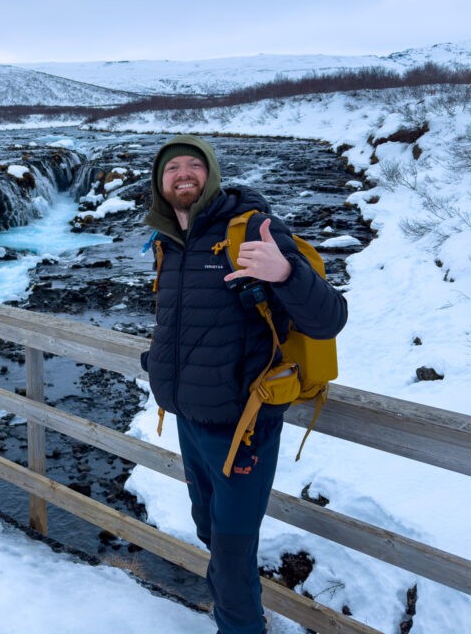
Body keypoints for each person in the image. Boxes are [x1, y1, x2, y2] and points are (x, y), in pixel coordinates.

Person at [140, 134, 347, 634]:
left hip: (244, 425)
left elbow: (329, 317)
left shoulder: (254, 229)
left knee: (231, 555)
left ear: (210, 174)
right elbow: (183, 320)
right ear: (160, 182)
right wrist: (161, 364)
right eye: (173, 168)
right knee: (211, 531)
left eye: (194, 165)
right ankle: (248, 615)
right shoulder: (169, 242)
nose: (183, 174)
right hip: (190, 419)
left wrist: (284, 273)